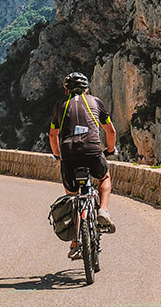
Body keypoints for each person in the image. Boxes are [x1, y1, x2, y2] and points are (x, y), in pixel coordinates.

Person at [49, 71, 118, 259]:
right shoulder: (96, 102)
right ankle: (103, 210)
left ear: (66, 90)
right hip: (92, 150)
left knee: (72, 196)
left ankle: (75, 242)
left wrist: (57, 155)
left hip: (69, 153)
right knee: (104, 177)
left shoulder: (60, 106)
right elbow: (110, 132)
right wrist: (110, 150)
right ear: (87, 88)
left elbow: (53, 135)